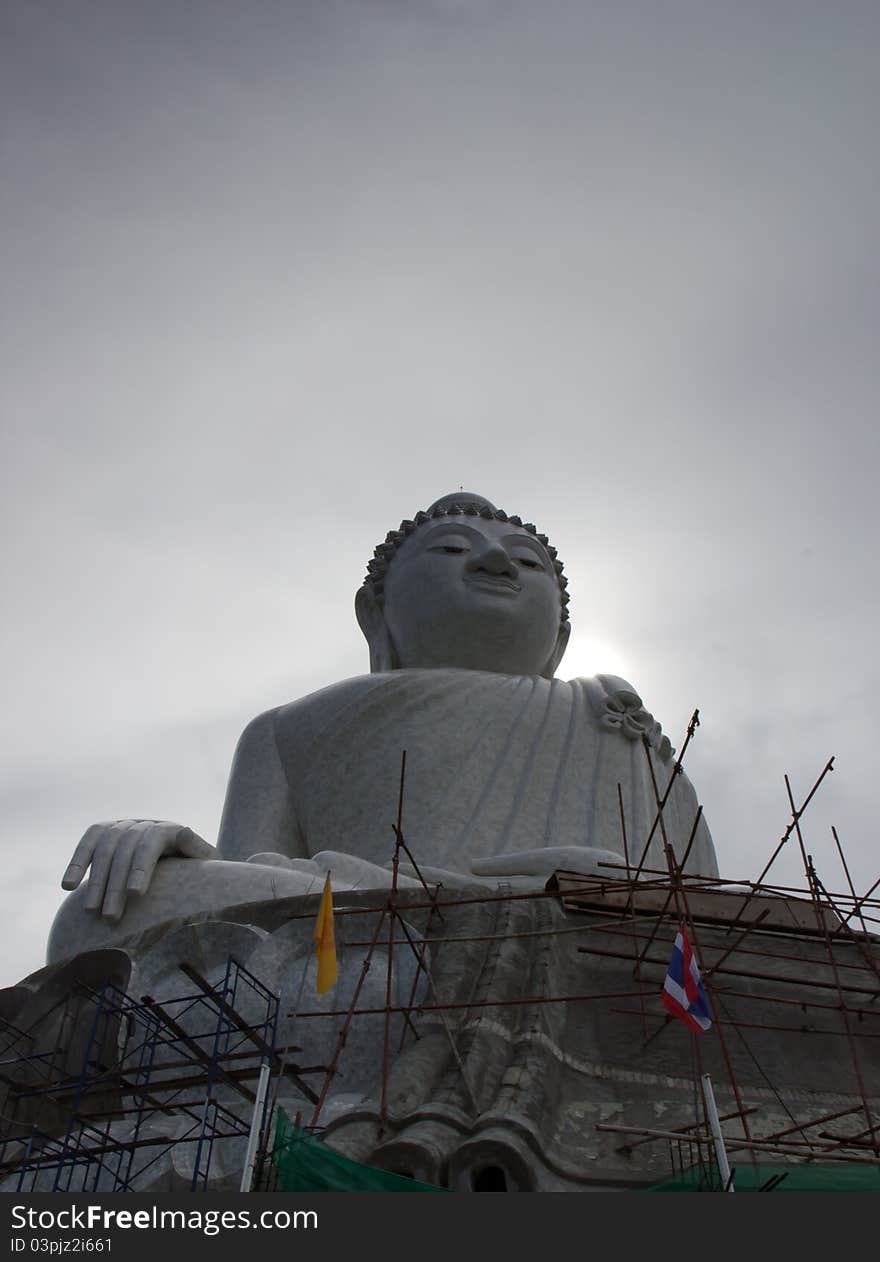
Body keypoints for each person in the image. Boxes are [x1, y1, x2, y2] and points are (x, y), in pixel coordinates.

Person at [50, 492, 717, 961]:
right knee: (105, 911)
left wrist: (589, 892)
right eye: (452, 549)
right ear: (378, 613)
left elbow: (713, 912)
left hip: (589, 938)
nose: (494, 564)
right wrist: (168, 849)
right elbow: (243, 888)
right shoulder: (286, 729)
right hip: (367, 921)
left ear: (561, 637)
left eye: (527, 561)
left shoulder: (611, 721)